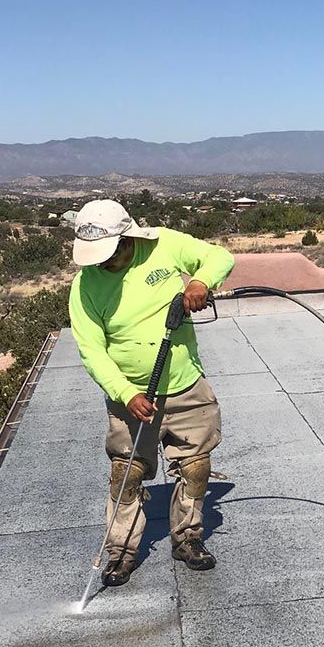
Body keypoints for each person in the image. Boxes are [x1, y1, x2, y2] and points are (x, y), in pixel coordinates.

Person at [67, 199, 234, 586]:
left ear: (128, 238)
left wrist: (200, 282)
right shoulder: (85, 285)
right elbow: (91, 350)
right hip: (131, 398)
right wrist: (125, 393)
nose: (104, 263)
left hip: (185, 386)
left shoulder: (164, 244)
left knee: (195, 467)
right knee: (126, 474)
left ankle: (188, 538)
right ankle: (121, 552)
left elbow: (220, 257)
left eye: (110, 253)